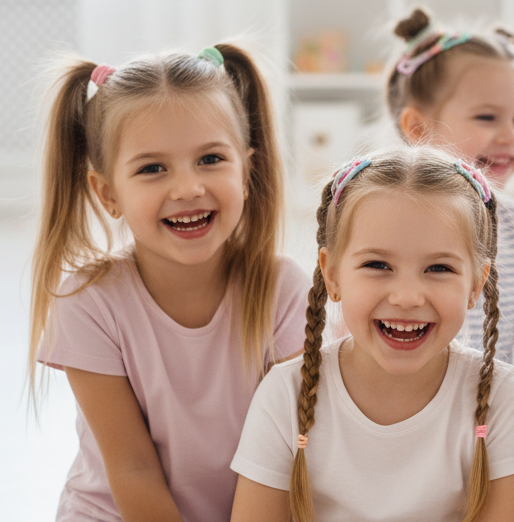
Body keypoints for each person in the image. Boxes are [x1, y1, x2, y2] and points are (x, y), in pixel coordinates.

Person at [29, 44, 311, 521]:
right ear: (107, 193)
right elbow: (133, 470)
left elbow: (285, 457)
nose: (187, 188)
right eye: (152, 168)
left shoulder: (284, 291)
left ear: (247, 171)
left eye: (210, 159)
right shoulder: (88, 303)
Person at [230, 147, 514, 522]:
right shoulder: (284, 395)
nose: (407, 297)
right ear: (332, 275)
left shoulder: (501, 399)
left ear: (476, 284)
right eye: (377, 265)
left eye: (439, 268)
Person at [385, 7, 514, 406]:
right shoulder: (384, 220)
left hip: (487, 421)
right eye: (488, 117)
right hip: (399, 413)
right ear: (418, 128)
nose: (510, 136)